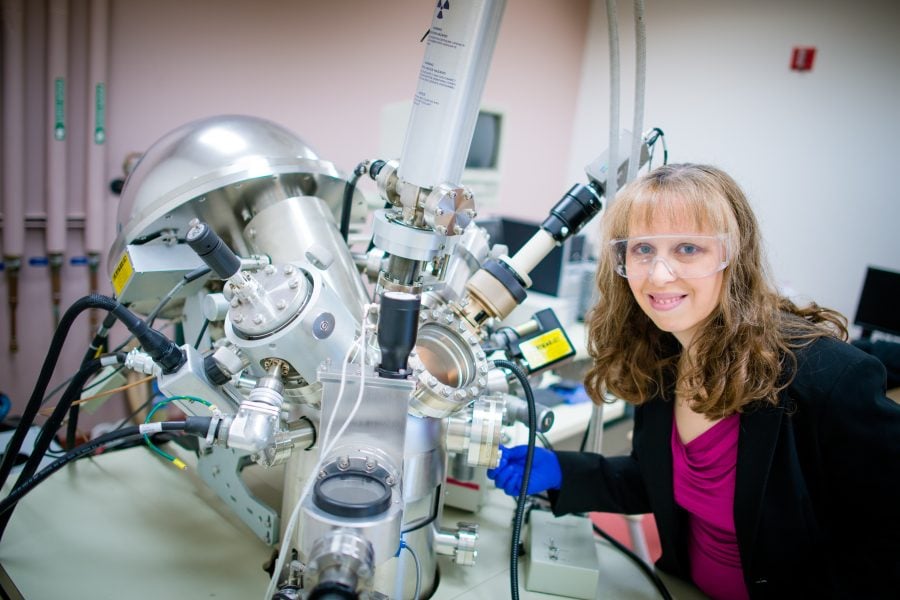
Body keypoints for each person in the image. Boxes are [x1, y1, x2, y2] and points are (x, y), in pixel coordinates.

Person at [488, 164, 900, 599]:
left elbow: (885, 546)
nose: (659, 274)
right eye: (643, 248)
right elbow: (659, 482)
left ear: (732, 256)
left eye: (688, 248)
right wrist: (561, 472)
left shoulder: (826, 377)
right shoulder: (663, 356)